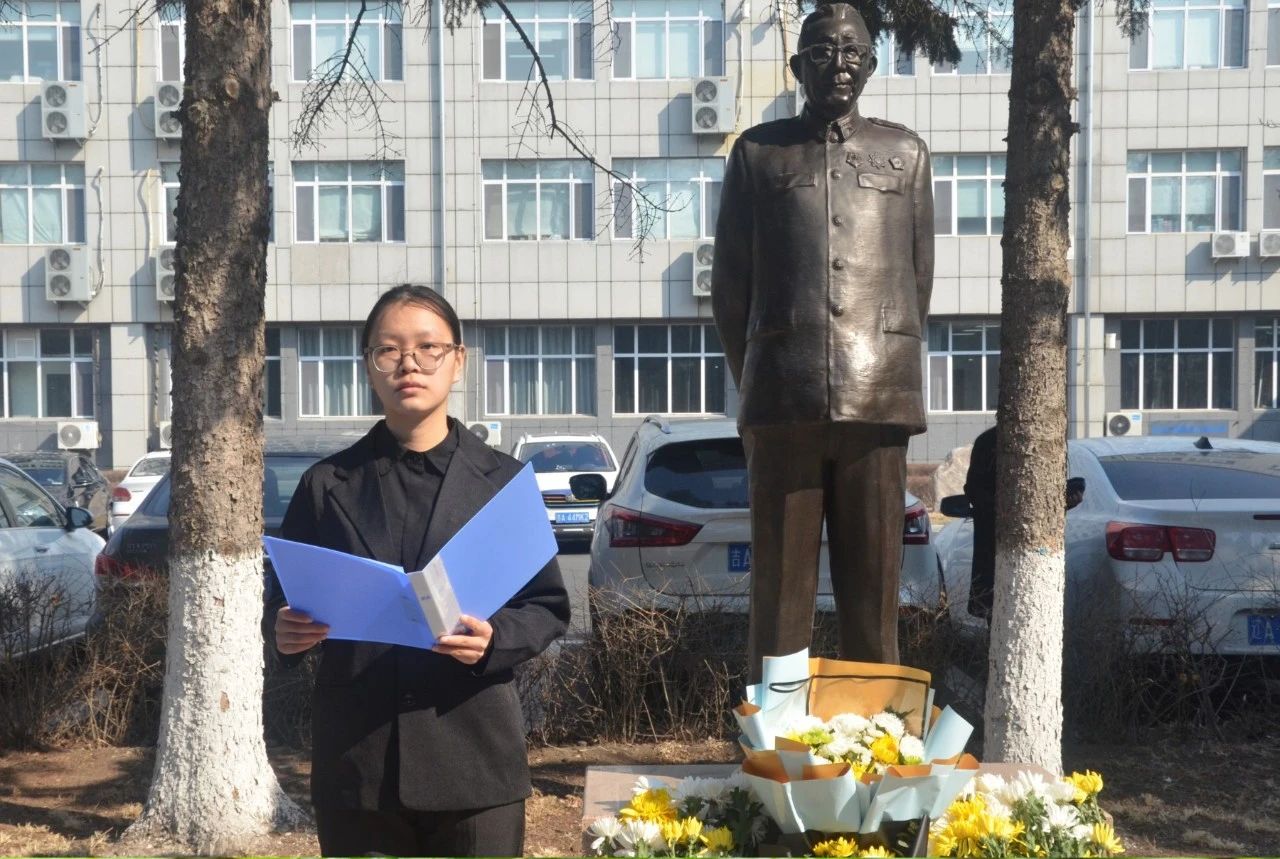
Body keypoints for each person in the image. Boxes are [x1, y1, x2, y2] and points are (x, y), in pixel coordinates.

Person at [269, 284, 570, 857]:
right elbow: (278, 600)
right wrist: (283, 631)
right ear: (369, 367)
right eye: (389, 350)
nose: (409, 363)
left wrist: (494, 639)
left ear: (458, 361)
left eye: (429, 348)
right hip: (360, 763)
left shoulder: (504, 484)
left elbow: (547, 606)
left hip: (475, 760)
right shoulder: (326, 485)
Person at [711, 1, 933, 680]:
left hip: (878, 397)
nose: (838, 64)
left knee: (875, 603)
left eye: (851, 52)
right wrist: (760, 375)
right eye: (822, 52)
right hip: (784, 398)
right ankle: (772, 742)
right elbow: (731, 287)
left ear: (870, 64)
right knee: (778, 604)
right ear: (797, 65)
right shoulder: (757, 153)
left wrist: (885, 361)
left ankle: (878, 740)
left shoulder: (905, 153)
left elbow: (917, 279)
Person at [963, 425, 998, 620]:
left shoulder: (1045, 439)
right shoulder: (989, 441)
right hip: (991, 542)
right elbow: (974, 489)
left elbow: (973, 489)